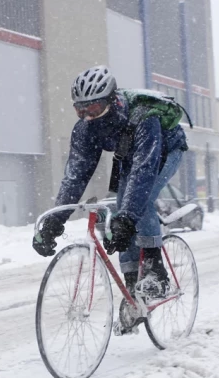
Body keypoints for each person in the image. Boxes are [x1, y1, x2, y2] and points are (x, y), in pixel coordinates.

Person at [32, 65, 189, 299]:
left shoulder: (144, 117)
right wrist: (54, 222)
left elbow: (144, 171)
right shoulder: (85, 130)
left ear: (111, 100)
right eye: (80, 110)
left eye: (93, 107)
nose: (88, 116)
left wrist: (127, 219)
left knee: (137, 204)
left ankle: (156, 272)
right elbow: (75, 177)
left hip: (166, 149)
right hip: (129, 154)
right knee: (118, 210)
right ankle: (133, 289)